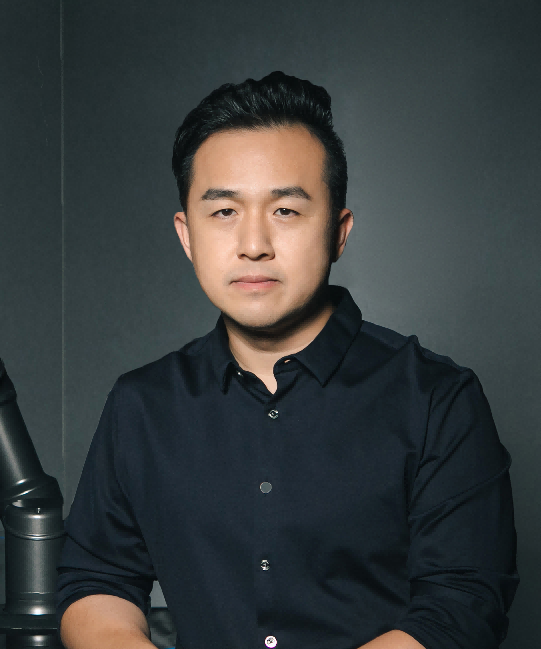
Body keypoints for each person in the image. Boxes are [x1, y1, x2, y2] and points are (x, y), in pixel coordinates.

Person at [56, 72, 518, 649]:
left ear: (339, 232)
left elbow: (461, 607)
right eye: (224, 212)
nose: (254, 244)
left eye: (286, 211)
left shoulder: (437, 399)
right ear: (187, 235)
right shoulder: (141, 405)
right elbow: (95, 579)